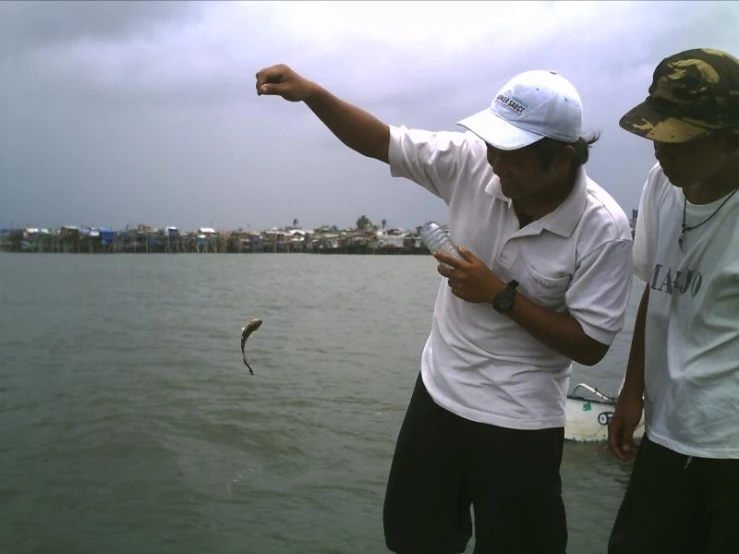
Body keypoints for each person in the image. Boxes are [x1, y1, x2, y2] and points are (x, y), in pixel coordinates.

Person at [256, 63, 634, 553]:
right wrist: (311, 94)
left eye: (511, 154)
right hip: (438, 394)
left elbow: (590, 345)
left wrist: (501, 295)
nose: (494, 162)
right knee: (414, 539)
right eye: (492, 146)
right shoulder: (473, 162)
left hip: (521, 418)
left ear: (562, 158)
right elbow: (380, 141)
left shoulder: (604, 229)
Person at [607, 47, 739, 553]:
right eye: (656, 135)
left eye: (678, 142)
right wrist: (631, 389)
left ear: (731, 141)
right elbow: (657, 289)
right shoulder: (663, 184)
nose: (660, 152)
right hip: (666, 432)